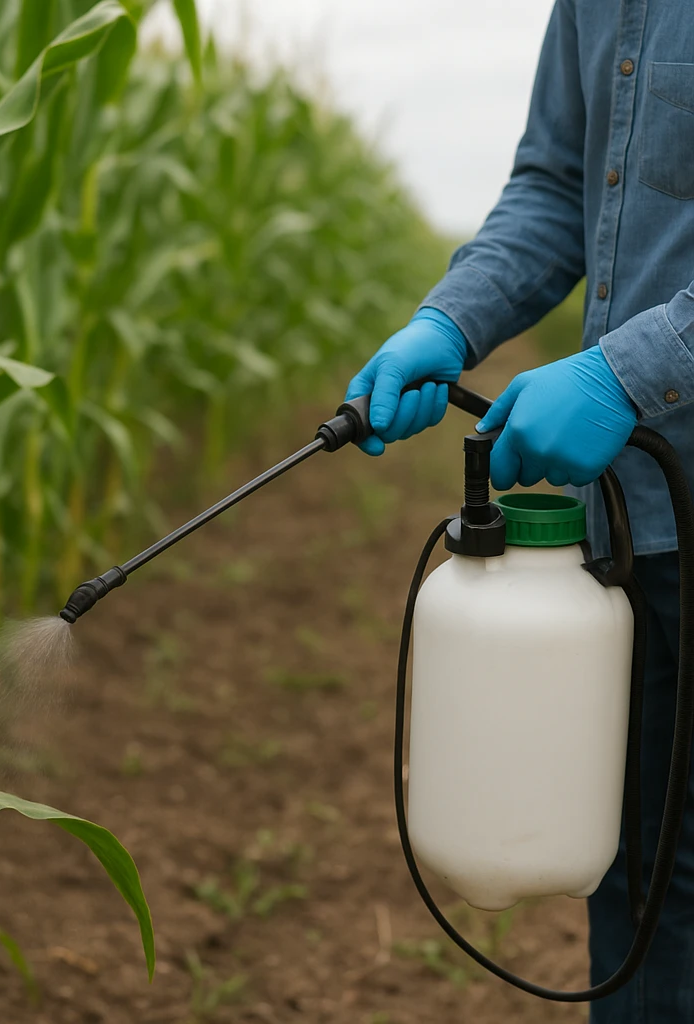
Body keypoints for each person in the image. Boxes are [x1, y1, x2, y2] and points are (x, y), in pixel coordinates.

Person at [345, 4, 694, 1021]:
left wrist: (630, 371)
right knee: (649, 887)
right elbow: (556, 183)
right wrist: (449, 321)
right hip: (644, 525)